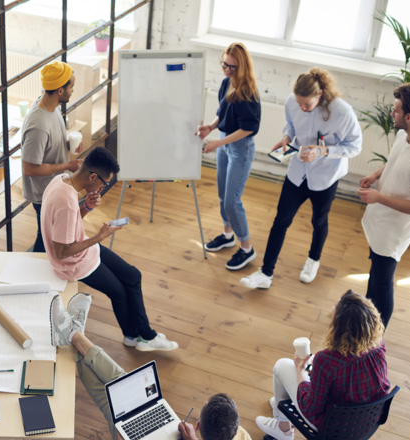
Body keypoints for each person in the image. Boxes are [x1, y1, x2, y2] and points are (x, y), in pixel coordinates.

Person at [50, 294, 258, 440]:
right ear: (234, 433)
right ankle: (74, 335)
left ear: (198, 426)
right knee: (126, 385)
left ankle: (73, 335)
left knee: (110, 402)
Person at [41, 146, 178, 352]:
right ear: (93, 176)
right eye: (104, 183)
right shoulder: (67, 203)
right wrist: (99, 237)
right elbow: (61, 252)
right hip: (72, 264)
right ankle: (141, 336)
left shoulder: (61, 180)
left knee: (133, 275)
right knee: (120, 292)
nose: (103, 188)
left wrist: (86, 207)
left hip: (84, 250)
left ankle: (136, 336)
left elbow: (66, 227)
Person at [241, 68, 362, 290]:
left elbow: (355, 146)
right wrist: (286, 137)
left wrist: (323, 151)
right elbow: (291, 125)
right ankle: (266, 273)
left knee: (319, 221)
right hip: (298, 172)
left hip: (325, 175)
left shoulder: (343, 113)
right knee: (280, 221)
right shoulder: (293, 102)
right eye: (299, 103)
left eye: (306, 104)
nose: (302, 108)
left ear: (321, 94)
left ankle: (313, 260)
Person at [358, 83, 410, 327]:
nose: (391, 115)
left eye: (395, 111)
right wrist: (375, 175)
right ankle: (365, 326)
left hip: (393, 232)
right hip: (380, 220)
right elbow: (395, 161)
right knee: (374, 276)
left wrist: (380, 198)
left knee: (382, 284)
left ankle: (375, 340)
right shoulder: (403, 135)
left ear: (408, 116)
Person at [255, 290, 391, 440]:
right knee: (306, 373)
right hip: (367, 422)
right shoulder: (378, 345)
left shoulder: (326, 360)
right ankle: (282, 408)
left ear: (339, 327)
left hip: (332, 428)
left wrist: (300, 370)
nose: (333, 307)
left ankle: (283, 428)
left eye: (335, 307)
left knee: (282, 366)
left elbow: (310, 407)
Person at [197, 42, 261, 271]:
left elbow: (248, 128)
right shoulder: (226, 83)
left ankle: (246, 248)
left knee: (233, 200)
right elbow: (222, 114)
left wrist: (218, 143)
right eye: (225, 64)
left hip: (240, 148)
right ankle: (228, 235)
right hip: (225, 143)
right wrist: (210, 128)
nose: (227, 69)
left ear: (242, 67)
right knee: (223, 196)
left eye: (232, 67)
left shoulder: (247, 93)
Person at [21, 60, 83, 252]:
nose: (73, 90)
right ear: (60, 91)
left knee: (48, 234)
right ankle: (37, 271)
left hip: (54, 186)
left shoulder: (52, 108)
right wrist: (67, 165)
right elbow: (29, 168)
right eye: (71, 86)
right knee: (46, 237)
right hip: (43, 193)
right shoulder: (38, 125)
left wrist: (65, 144)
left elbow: (46, 145)